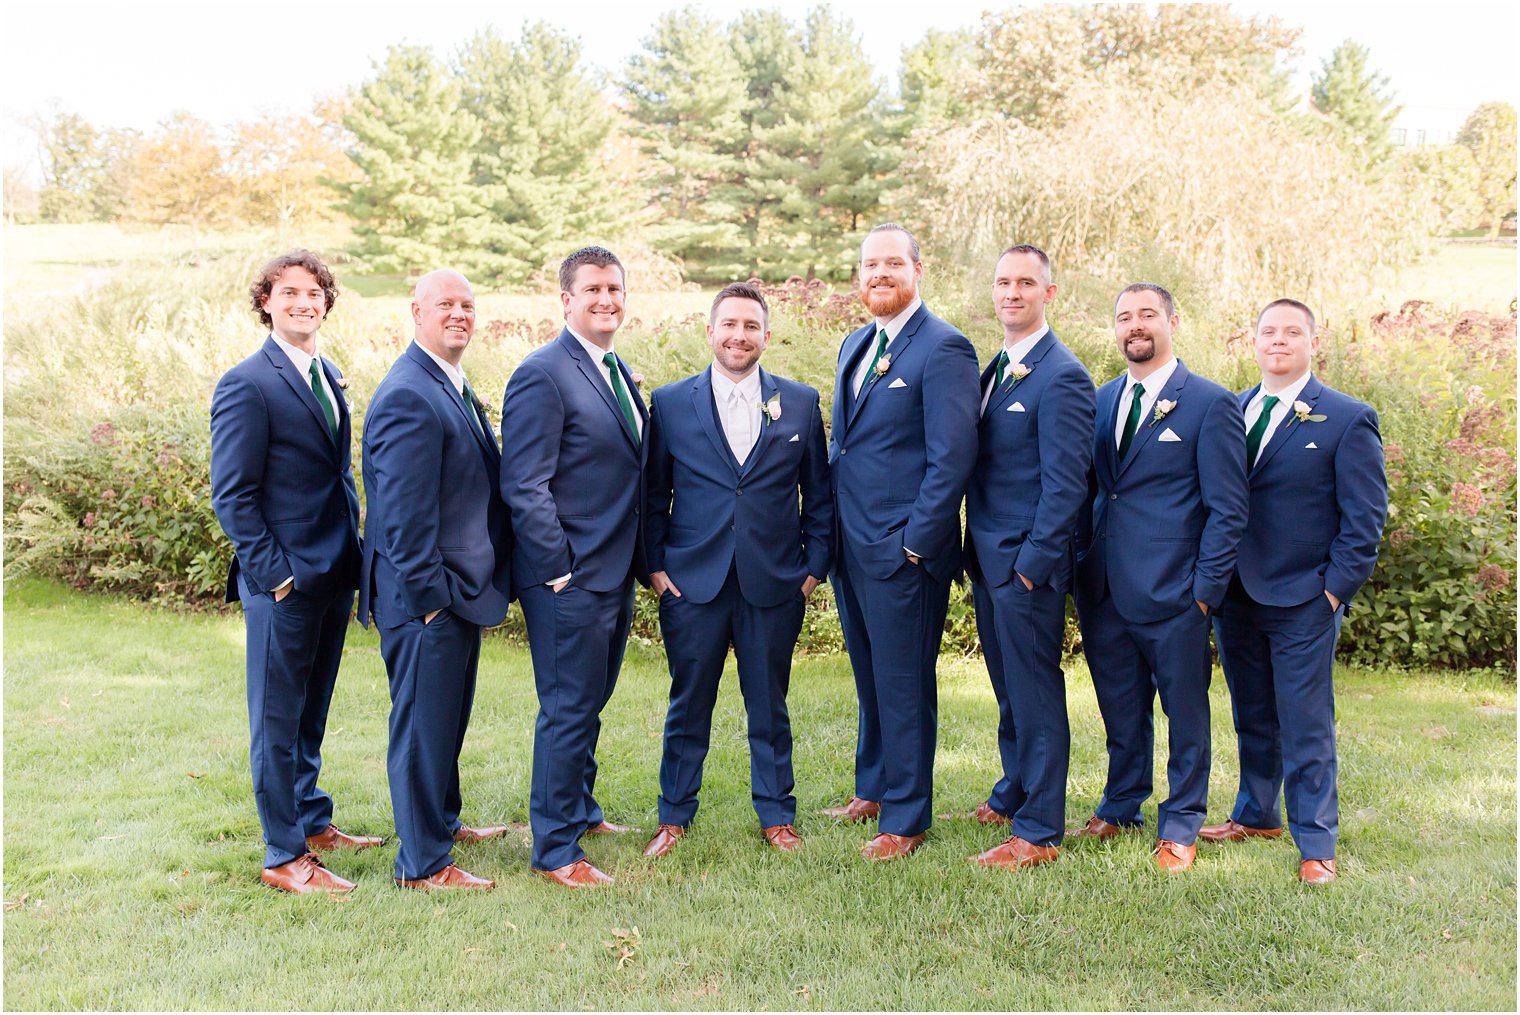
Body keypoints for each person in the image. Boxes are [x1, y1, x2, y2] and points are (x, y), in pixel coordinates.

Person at [641, 282, 833, 859]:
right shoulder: (671, 403)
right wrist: (655, 569)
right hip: (692, 584)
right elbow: (652, 497)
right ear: (710, 331)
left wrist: (812, 570)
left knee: (770, 705)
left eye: (751, 327)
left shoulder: (799, 402)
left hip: (774, 584)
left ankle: (777, 815)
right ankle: (673, 817)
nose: (739, 336)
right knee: (687, 703)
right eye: (729, 325)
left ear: (766, 336)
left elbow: (819, 499)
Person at [1202, 298, 1387, 885]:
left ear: (1312, 342)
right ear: (1253, 343)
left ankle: (1316, 844)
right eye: (1267, 332)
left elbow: (1364, 520)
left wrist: (1332, 592)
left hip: (1304, 597)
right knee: (1251, 713)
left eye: (1291, 332)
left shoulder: (1346, 417)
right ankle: (1256, 814)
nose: (1277, 341)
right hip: (1235, 593)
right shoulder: (1229, 409)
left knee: (1306, 722)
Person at [210, 250, 376, 895]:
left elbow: (334, 476)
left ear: (326, 302)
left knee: (311, 712)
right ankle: (284, 856)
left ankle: (311, 821)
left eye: (314, 292)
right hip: (283, 582)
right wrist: (275, 573)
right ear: (266, 303)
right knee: (277, 722)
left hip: (333, 572)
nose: (303, 302)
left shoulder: (326, 373)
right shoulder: (247, 382)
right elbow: (233, 494)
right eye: (289, 293)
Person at [1072, 282, 1248, 872]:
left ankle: (1181, 821)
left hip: (1176, 592)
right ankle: (1122, 803)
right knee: (1120, 707)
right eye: (1124, 318)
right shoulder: (1099, 401)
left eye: (1147, 315)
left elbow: (1228, 508)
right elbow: (1097, 492)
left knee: (1185, 713)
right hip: (1104, 588)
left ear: (1174, 321)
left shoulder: (1209, 402)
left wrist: (1204, 592)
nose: (1135, 327)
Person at [821, 223, 981, 861]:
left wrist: (915, 545)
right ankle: (874, 787)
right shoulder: (856, 344)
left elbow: (952, 457)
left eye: (892, 263)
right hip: (851, 549)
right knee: (870, 676)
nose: (879, 274)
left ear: (918, 269)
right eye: (869, 265)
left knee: (904, 679)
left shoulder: (944, 348)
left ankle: (909, 816)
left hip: (903, 553)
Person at [359, 269, 512, 891]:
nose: (459, 314)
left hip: (456, 588)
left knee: (445, 719)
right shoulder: (407, 393)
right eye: (445, 304)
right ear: (416, 311)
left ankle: (442, 824)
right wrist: (428, 602)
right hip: (424, 595)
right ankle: (422, 863)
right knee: (422, 727)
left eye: (467, 305)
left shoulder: (446, 380)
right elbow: (401, 516)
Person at [501, 246, 648, 888]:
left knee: (590, 700)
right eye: (592, 289)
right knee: (566, 708)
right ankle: (556, 847)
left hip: (612, 572)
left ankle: (582, 810)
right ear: (566, 300)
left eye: (614, 288)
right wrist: (558, 567)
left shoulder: (615, 371)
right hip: (569, 578)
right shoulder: (544, 373)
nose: (606, 299)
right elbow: (524, 483)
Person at [954, 245, 1095, 870]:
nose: (1013, 292)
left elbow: (1068, 483)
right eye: (1004, 282)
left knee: (1035, 691)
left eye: (1026, 283)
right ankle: (1014, 790)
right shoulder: (998, 367)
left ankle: (1038, 830)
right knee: (1008, 686)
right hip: (988, 558)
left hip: (1025, 565)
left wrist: (1033, 564)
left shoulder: (1062, 375)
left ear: (1049, 292)